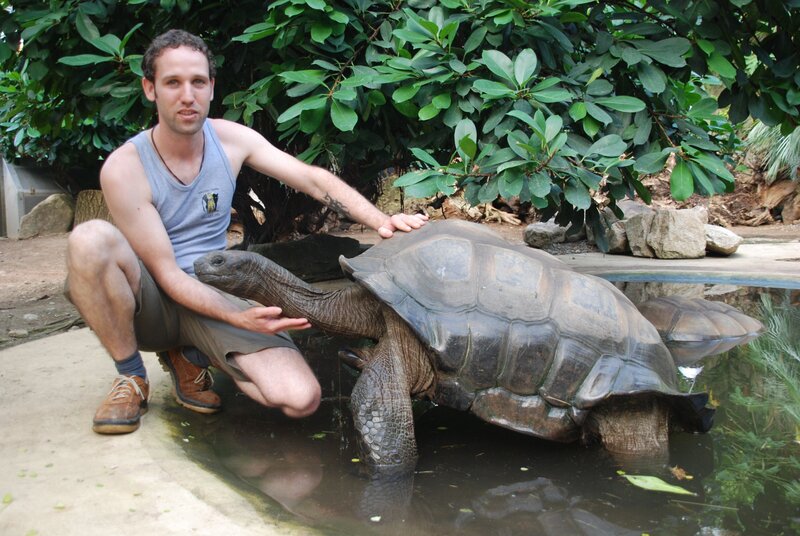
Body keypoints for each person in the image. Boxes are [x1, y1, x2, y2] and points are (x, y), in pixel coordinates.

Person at [65, 29, 428, 435]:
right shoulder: (125, 167)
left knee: (300, 399)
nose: (188, 95)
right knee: (90, 240)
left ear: (211, 87)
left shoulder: (231, 139)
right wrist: (243, 321)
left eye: (198, 82)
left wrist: (380, 220)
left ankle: (192, 356)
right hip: (154, 298)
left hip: (212, 283)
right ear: (150, 89)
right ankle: (131, 375)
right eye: (173, 82)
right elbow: (167, 275)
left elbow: (310, 178)